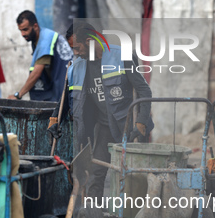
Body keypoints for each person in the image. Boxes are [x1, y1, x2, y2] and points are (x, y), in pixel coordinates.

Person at [58, 22, 154, 200]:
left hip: (129, 126)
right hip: (105, 126)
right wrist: (54, 119)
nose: (75, 53)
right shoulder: (78, 65)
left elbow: (144, 90)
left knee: (133, 175)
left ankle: (133, 217)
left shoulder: (121, 56)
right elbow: (67, 95)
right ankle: (94, 216)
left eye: (77, 48)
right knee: (96, 172)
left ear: (89, 41)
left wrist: (141, 122)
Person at [8, 10, 71, 101]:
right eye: (20, 30)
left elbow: (37, 72)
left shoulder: (44, 40)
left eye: (25, 29)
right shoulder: (37, 38)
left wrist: (18, 95)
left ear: (35, 26)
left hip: (65, 84)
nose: (22, 34)